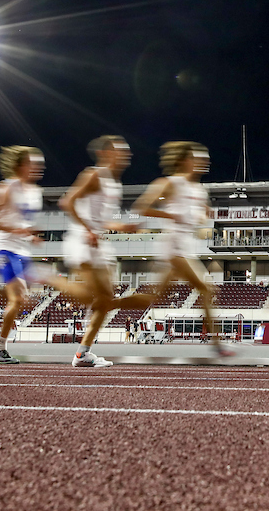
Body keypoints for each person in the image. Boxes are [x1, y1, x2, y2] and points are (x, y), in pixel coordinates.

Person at [129, 141, 235, 358]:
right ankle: (216, 343)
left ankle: (108, 304)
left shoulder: (198, 189)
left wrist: (203, 213)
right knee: (206, 289)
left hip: (185, 247)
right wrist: (171, 216)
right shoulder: (169, 183)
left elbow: (196, 215)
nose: (205, 162)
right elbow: (141, 207)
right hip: (174, 247)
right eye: (199, 158)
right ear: (187, 160)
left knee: (153, 297)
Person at [47, 135, 140, 368]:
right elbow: (67, 202)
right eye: (121, 150)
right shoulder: (94, 174)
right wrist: (88, 230)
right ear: (107, 153)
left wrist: (122, 226)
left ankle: (82, 354)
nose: (126, 155)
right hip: (82, 240)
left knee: (105, 300)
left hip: (98, 243)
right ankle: (44, 276)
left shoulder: (113, 183)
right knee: (92, 296)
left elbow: (103, 220)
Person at [0, 146, 46, 364]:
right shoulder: (6, 188)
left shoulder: (35, 193)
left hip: (21, 250)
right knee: (18, 297)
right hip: (2, 247)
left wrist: (30, 236)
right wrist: (16, 231)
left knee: (22, 299)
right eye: (34, 163)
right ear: (21, 166)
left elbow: (22, 223)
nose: (39, 167)